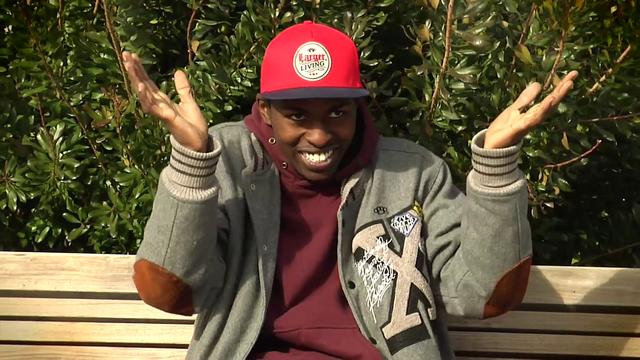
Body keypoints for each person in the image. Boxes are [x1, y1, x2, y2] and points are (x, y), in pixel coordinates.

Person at [123, 20, 577, 359]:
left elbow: (482, 295)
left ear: (359, 110)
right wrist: (191, 163)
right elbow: (170, 291)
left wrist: (496, 165)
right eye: (297, 115)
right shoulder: (227, 159)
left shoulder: (414, 173)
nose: (319, 135)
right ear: (264, 111)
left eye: (337, 113)